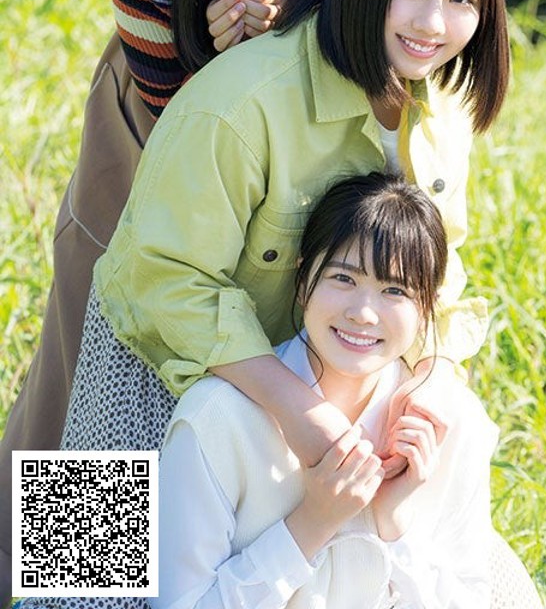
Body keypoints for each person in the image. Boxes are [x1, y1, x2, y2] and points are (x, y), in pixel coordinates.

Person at [12, 0, 542, 609]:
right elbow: (160, 281)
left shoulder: (443, 102)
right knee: (81, 593)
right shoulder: (242, 102)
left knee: (475, 579)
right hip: (154, 345)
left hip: (321, 354)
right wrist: (296, 405)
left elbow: (436, 271)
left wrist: (425, 382)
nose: (433, 22)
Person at [0, 0, 376, 600]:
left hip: (316, 151)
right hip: (154, 136)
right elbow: (189, 148)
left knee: (279, 345)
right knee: (106, 324)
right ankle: (64, 579)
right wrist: (223, 56)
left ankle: (233, 572)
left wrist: (299, 32)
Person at [154, 172, 499, 609]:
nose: (364, 313)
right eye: (343, 279)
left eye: (394, 290)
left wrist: (396, 523)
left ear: (427, 308)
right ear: (302, 281)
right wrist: (310, 524)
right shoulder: (216, 417)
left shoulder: (451, 421)